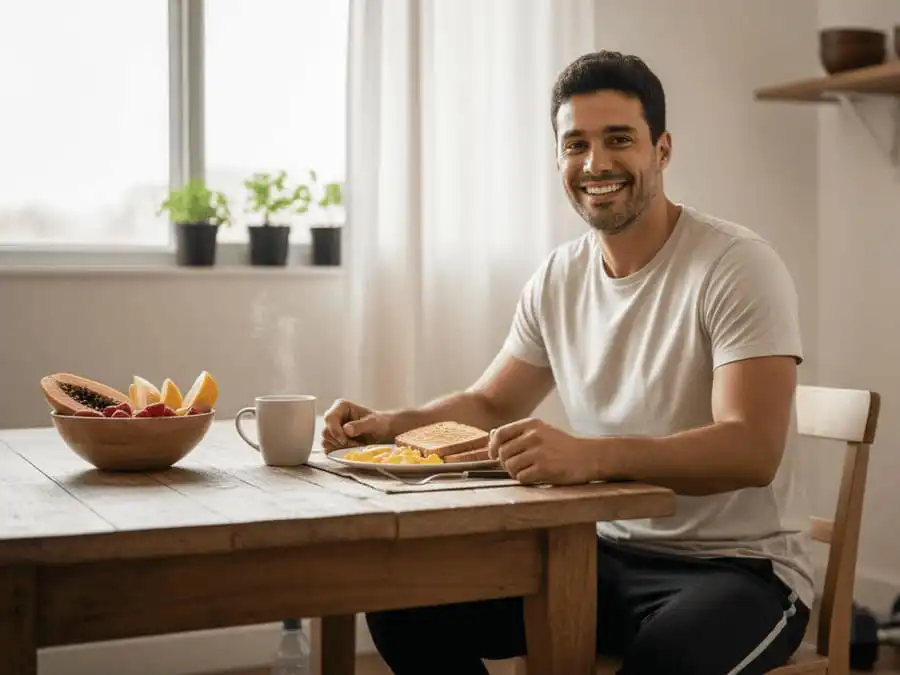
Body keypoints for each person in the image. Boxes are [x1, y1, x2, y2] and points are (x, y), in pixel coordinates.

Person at [321, 50, 812, 675]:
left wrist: (591, 457)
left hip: (737, 569)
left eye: (618, 140)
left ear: (662, 150)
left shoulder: (737, 265)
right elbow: (493, 404)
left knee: (668, 658)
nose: (595, 163)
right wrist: (392, 423)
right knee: (402, 605)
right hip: (599, 554)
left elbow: (752, 449)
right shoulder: (559, 276)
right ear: (559, 159)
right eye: (575, 144)